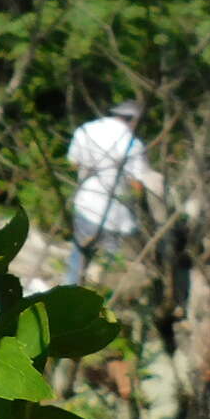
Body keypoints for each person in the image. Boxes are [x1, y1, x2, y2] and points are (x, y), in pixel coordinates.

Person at [64, 99, 155, 286]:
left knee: (78, 258)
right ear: (133, 120)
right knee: (108, 266)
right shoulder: (133, 143)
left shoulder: (86, 130)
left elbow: (73, 162)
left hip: (86, 205)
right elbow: (137, 184)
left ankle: (69, 292)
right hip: (116, 216)